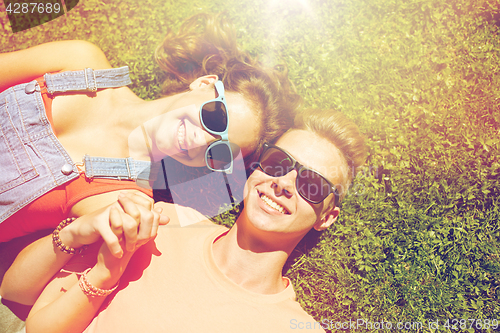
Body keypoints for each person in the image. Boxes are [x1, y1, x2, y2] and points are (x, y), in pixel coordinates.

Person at [1, 109, 367, 332]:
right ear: (257, 168)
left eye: (311, 185)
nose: (283, 184)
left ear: (327, 217)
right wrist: (77, 234)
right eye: (277, 164)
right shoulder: (164, 220)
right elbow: (15, 294)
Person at [0, 13, 301, 243]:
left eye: (219, 149)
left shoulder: (123, 199)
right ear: (205, 84)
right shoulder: (81, 62)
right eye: (216, 118)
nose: (202, 138)